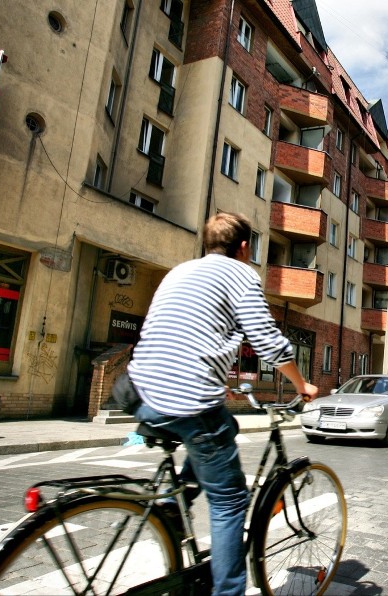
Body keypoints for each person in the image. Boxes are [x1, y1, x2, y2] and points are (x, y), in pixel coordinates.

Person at [127, 212, 318, 596]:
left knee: (222, 428)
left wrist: (217, 383)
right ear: (244, 247)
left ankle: (169, 507)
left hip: (139, 389)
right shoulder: (241, 275)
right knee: (230, 501)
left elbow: (180, 333)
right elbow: (266, 339)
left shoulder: (180, 271)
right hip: (188, 399)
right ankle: (228, 591)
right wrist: (303, 383)